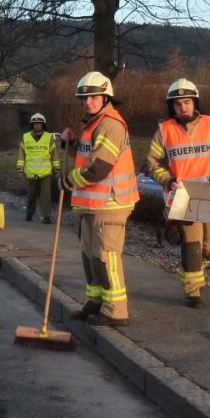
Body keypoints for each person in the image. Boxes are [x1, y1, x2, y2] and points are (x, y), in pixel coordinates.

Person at [146, 78, 210, 308]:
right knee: (192, 245)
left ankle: (193, 268)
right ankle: (193, 292)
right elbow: (152, 163)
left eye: (186, 102)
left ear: (195, 103)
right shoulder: (164, 131)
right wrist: (166, 179)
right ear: (171, 107)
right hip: (183, 198)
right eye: (177, 104)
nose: (182, 107)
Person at [59, 71, 139, 327]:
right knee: (90, 254)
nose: (88, 102)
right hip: (94, 203)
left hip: (112, 202)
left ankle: (116, 311)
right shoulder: (93, 125)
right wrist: (69, 144)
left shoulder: (110, 124)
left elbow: (98, 170)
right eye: (84, 98)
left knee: (106, 256)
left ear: (106, 98)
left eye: (94, 97)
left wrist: (67, 181)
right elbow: (86, 158)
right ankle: (95, 301)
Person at [15, 112, 61, 223]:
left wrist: (57, 169)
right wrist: (20, 169)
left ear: (43, 125)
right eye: (35, 124)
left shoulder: (48, 137)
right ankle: (29, 213)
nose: (37, 125)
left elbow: (54, 154)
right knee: (31, 195)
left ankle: (46, 216)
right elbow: (21, 154)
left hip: (45, 172)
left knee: (46, 195)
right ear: (32, 125)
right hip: (31, 172)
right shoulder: (26, 137)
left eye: (39, 124)